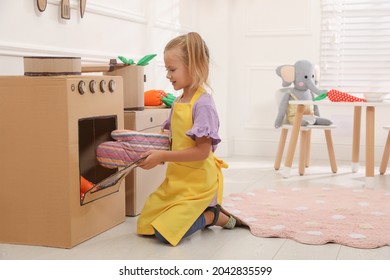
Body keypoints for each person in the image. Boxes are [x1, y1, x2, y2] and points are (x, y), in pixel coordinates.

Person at [136, 32, 246, 246]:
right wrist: (147, 148)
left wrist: (163, 155)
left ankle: (212, 216)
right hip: (177, 178)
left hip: (198, 181)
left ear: (194, 66)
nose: (168, 75)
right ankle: (202, 211)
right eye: (167, 69)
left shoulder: (203, 103)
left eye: (172, 69)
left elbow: (202, 152)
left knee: (165, 234)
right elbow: (172, 138)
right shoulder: (178, 101)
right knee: (146, 225)